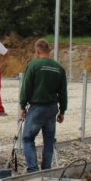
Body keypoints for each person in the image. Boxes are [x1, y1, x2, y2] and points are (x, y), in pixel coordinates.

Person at [19, 38, 67, 173]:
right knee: (49, 140)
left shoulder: (33, 65)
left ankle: (33, 170)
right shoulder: (59, 68)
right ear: (49, 50)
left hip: (37, 107)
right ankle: (46, 169)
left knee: (28, 138)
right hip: (52, 108)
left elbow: (26, 87)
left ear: (37, 51)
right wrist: (62, 110)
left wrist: (23, 105)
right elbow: (63, 92)